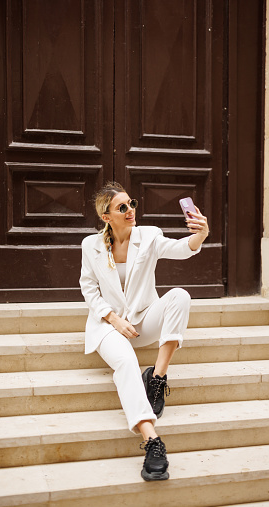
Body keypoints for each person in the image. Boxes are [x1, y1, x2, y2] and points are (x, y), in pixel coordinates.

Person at [79, 182, 209, 481]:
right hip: (108, 326)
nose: (130, 211)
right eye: (122, 208)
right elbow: (88, 287)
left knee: (179, 295)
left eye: (132, 204)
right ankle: (152, 440)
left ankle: (158, 377)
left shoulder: (148, 235)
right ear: (106, 216)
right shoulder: (91, 245)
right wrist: (113, 318)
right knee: (125, 362)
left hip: (143, 320)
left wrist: (199, 234)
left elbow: (180, 249)